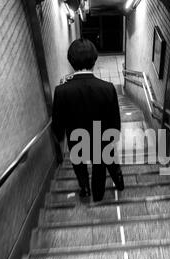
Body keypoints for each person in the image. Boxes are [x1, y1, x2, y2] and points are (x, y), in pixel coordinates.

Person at [52, 38, 124, 202]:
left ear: (71, 61)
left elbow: (57, 123)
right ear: (94, 60)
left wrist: (60, 137)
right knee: (100, 166)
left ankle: (84, 188)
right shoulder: (107, 88)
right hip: (102, 139)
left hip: (76, 139)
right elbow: (115, 120)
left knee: (79, 164)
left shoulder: (61, 91)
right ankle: (98, 194)